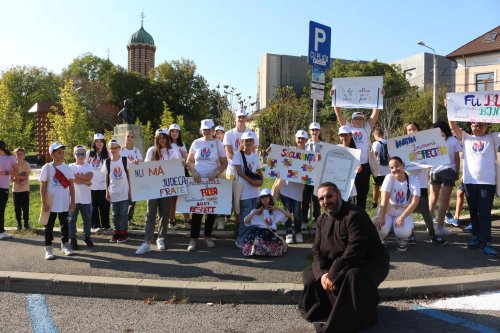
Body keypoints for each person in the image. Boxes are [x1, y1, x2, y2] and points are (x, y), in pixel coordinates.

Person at [298, 182, 389, 333]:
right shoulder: (321, 219)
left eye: (329, 196)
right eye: (321, 199)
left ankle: (356, 316)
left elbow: (356, 248)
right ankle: (330, 309)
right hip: (342, 261)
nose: (325, 201)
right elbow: (317, 249)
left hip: (370, 262)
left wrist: (332, 274)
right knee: (310, 274)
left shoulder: (355, 215)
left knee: (352, 276)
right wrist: (322, 275)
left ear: (339, 194)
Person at [449, 119, 498, 257]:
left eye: (481, 125)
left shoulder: (493, 137)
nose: (477, 128)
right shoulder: (466, 137)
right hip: (469, 182)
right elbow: (453, 126)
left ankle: (486, 243)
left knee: (484, 214)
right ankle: (476, 237)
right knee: (473, 212)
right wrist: (450, 110)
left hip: (486, 183)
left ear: (487, 125)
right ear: (470, 125)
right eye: (475, 125)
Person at [135, 129, 180, 254]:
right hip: (152, 187)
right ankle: (147, 242)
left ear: (167, 138)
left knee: (164, 213)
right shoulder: (152, 150)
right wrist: (137, 164)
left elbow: (176, 168)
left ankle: (161, 238)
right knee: (150, 214)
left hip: (166, 187)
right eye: (159, 138)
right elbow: (146, 167)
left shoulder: (172, 151)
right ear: (156, 139)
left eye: (164, 137)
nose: (162, 140)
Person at [186, 119, 228, 251]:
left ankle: (208, 237)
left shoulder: (218, 144)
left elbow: (224, 162)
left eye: (209, 129)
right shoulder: (196, 142)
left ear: (213, 129)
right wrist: (193, 172)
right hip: (198, 181)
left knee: (211, 210)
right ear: (201, 130)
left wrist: (215, 173)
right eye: (204, 129)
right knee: (197, 210)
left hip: (213, 181)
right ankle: (193, 239)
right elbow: (189, 161)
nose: (206, 131)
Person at [403, 122, 448, 246]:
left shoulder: (425, 144)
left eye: (414, 129)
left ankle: (433, 235)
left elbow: (435, 156)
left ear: (419, 130)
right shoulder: (401, 147)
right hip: (408, 184)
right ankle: (409, 234)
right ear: (405, 132)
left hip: (421, 184)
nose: (411, 132)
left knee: (426, 213)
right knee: (408, 211)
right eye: (409, 130)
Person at [334, 106, 380, 209]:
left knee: (362, 194)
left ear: (364, 120)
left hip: (364, 167)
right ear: (352, 120)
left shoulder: (366, 129)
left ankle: (360, 217)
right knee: (348, 194)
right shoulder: (348, 128)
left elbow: (375, 115)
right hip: (350, 166)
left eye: (360, 118)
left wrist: (378, 97)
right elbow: (339, 115)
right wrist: (335, 100)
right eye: (356, 118)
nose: (358, 120)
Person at [375, 156, 420, 252]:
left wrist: (402, 217)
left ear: (403, 165)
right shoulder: (389, 178)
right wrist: (381, 216)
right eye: (391, 168)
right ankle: (381, 239)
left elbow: (415, 202)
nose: (395, 169)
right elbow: (384, 199)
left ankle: (402, 240)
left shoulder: (414, 180)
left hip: (403, 212)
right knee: (380, 228)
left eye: (397, 166)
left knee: (403, 231)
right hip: (389, 210)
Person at [40, 142, 75, 259]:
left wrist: (73, 201)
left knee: (65, 224)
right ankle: (48, 247)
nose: (62, 155)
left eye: (63, 152)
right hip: (51, 202)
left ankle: (65, 244)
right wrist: (44, 202)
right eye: (59, 153)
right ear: (52, 154)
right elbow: (43, 186)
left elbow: (71, 186)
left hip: (64, 202)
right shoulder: (47, 167)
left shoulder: (68, 168)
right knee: (49, 226)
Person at [223, 110, 259, 224]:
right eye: (239, 117)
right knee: (232, 196)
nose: (241, 119)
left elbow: (252, 152)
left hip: (249, 169)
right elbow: (228, 153)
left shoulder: (251, 133)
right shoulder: (229, 134)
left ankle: (242, 222)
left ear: (246, 119)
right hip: (232, 169)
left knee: (243, 196)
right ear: (235, 119)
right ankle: (229, 217)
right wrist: (239, 161)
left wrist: (243, 163)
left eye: (243, 117)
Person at [428, 121, 462, 236]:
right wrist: (457, 172)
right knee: (444, 202)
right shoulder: (453, 140)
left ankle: (429, 226)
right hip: (448, 171)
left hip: (434, 172)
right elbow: (457, 159)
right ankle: (440, 228)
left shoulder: (432, 141)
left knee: (432, 199)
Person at [233, 131, 263, 247]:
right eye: (247, 140)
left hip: (255, 192)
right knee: (245, 217)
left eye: (251, 140)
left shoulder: (255, 156)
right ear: (242, 142)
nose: (249, 143)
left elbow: (259, 171)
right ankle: (240, 239)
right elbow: (239, 172)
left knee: (255, 216)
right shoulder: (238, 155)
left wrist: (261, 181)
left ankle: (251, 239)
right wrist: (251, 181)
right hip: (244, 192)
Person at [241, 188, 291, 256]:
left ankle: (262, 251)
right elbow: (245, 221)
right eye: (262, 198)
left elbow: (289, 216)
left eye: (267, 197)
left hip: (270, 232)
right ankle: (259, 251)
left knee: (272, 243)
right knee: (258, 239)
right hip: (258, 232)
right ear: (260, 199)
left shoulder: (274, 210)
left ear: (270, 198)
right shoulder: (257, 210)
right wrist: (254, 213)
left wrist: (279, 209)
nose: (265, 200)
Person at [279, 130, 307, 244]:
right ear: (295, 139)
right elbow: (281, 162)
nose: (300, 140)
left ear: (306, 140)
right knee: (287, 212)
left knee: (296, 213)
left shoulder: (309, 155)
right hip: (286, 187)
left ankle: (298, 232)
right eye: (299, 138)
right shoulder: (289, 151)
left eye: (303, 138)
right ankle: (288, 233)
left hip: (298, 189)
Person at [102, 139, 130, 243]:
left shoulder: (124, 160)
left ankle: (124, 233)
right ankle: (116, 232)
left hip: (124, 191)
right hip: (113, 192)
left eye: (115, 147)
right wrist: (107, 191)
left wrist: (130, 190)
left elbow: (129, 175)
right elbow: (106, 177)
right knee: (114, 214)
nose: (113, 149)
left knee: (123, 213)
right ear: (109, 149)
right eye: (111, 148)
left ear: (119, 148)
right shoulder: (107, 162)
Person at [68, 145, 94, 249]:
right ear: (74, 155)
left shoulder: (88, 166)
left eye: (82, 154)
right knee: (71, 220)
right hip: (73, 199)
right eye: (78, 154)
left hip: (86, 199)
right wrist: (85, 181)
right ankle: (72, 239)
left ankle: (87, 237)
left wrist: (76, 176)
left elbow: (90, 176)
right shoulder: (70, 167)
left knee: (87, 219)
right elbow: (72, 180)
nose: (80, 156)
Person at [301, 122, 323, 230]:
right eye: (312, 130)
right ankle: (304, 220)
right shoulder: (304, 145)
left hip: (318, 177)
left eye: (316, 130)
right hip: (306, 177)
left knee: (317, 200)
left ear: (319, 131)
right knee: (305, 199)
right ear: (309, 131)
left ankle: (316, 220)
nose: (315, 132)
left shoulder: (324, 146)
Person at [167, 123, 190, 228]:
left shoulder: (182, 144)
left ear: (179, 133)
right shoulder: (166, 144)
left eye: (176, 131)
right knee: (173, 198)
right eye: (172, 131)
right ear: (169, 133)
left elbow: (186, 159)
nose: (174, 133)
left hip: (182, 171)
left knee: (185, 196)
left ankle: (187, 221)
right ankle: (172, 220)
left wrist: (186, 156)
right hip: (171, 172)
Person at [87, 133, 110, 232]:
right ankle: (95, 225)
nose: (99, 143)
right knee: (94, 207)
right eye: (97, 141)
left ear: (104, 142)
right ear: (94, 142)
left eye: (101, 141)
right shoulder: (89, 153)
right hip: (92, 185)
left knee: (104, 206)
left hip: (104, 185)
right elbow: (84, 165)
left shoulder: (108, 154)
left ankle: (106, 225)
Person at [120, 130, 143, 227]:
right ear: (125, 137)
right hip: (123, 176)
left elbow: (141, 161)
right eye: (128, 136)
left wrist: (137, 160)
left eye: (131, 137)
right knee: (125, 198)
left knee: (133, 199)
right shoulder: (121, 150)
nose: (129, 138)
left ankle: (129, 218)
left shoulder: (136, 150)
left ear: (134, 139)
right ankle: (122, 218)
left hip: (134, 177)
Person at [0, 140, 18, 240]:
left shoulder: (10, 158)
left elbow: (17, 172)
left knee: (1, 209)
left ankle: (2, 231)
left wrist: (5, 172)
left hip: (4, 187)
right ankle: (1, 231)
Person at [338, 125, 359, 202]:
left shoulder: (355, 151)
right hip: (337, 184)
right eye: (341, 135)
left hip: (350, 186)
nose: (344, 138)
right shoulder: (335, 148)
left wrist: (359, 168)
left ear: (350, 135)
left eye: (346, 135)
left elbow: (358, 168)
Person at [11, 148, 30, 231]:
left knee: (25, 208)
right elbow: (11, 178)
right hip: (16, 190)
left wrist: (18, 177)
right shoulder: (12, 165)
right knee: (17, 208)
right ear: (15, 155)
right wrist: (18, 181)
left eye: (21, 154)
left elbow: (26, 177)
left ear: (24, 155)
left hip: (25, 190)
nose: (19, 155)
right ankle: (19, 224)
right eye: (18, 154)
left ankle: (26, 224)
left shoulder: (27, 164)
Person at [371, 128, 390, 209]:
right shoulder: (389, 142)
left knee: (376, 186)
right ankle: (387, 202)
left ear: (376, 135)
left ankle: (375, 203)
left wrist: (372, 167)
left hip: (379, 170)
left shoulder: (376, 143)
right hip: (389, 170)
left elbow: (374, 155)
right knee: (387, 187)